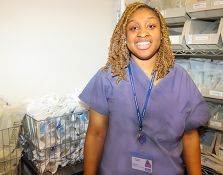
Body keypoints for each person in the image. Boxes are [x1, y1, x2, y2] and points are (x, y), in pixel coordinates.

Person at [79, 2, 210, 175]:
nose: (142, 32)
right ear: (124, 37)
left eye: (151, 25)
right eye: (134, 27)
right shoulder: (108, 77)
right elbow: (96, 134)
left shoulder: (180, 79)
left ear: (162, 34)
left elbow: (189, 135)